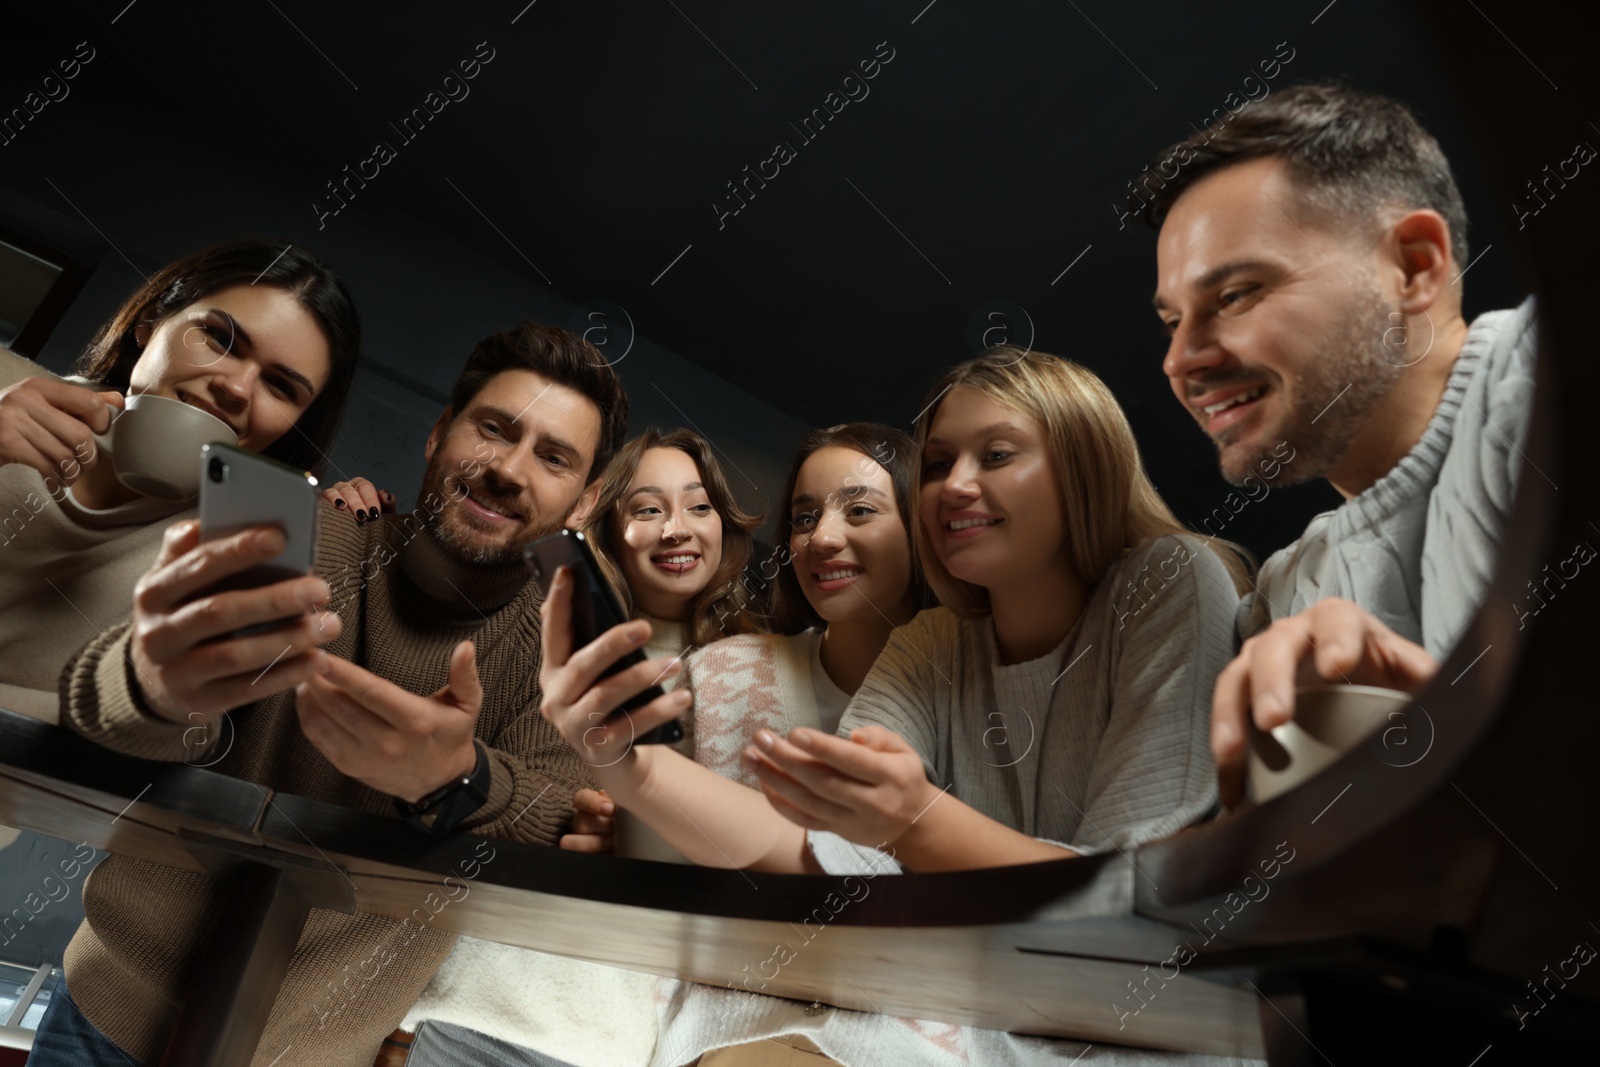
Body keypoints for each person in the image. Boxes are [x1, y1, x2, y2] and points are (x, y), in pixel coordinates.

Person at [540, 349, 1256, 1064]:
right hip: (972, 1001)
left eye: (997, 454)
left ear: (1083, 465)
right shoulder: (931, 640)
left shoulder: (1173, 581)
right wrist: (632, 765)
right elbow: (829, 856)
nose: (953, 486)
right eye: (939, 464)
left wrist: (917, 819)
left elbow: (1134, 914)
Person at [30, 322, 630, 1067]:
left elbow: (567, 834)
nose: (509, 468)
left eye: (552, 456)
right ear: (439, 432)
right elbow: (100, 713)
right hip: (110, 1009)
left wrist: (455, 779)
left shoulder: (572, 645)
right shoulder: (287, 523)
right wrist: (154, 686)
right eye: (494, 429)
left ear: (584, 499)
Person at [1139, 82, 1538, 806]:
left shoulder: (1546, 377)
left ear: (1415, 265)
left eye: (1233, 296)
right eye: (1173, 321)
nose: (1181, 360)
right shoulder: (1285, 599)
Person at [390, 427, 764, 1067]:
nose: (678, 529)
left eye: (699, 507)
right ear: (602, 520)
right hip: (472, 1002)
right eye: (648, 509)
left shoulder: (761, 673)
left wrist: (658, 836)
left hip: (617, 1042)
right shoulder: (541, 630)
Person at [0, 238, 361, 724]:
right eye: (218, 339)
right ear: (150, 322)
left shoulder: (247, 548)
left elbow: (183, 735)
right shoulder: (7, 387)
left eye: (280, 386)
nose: (234, 388)